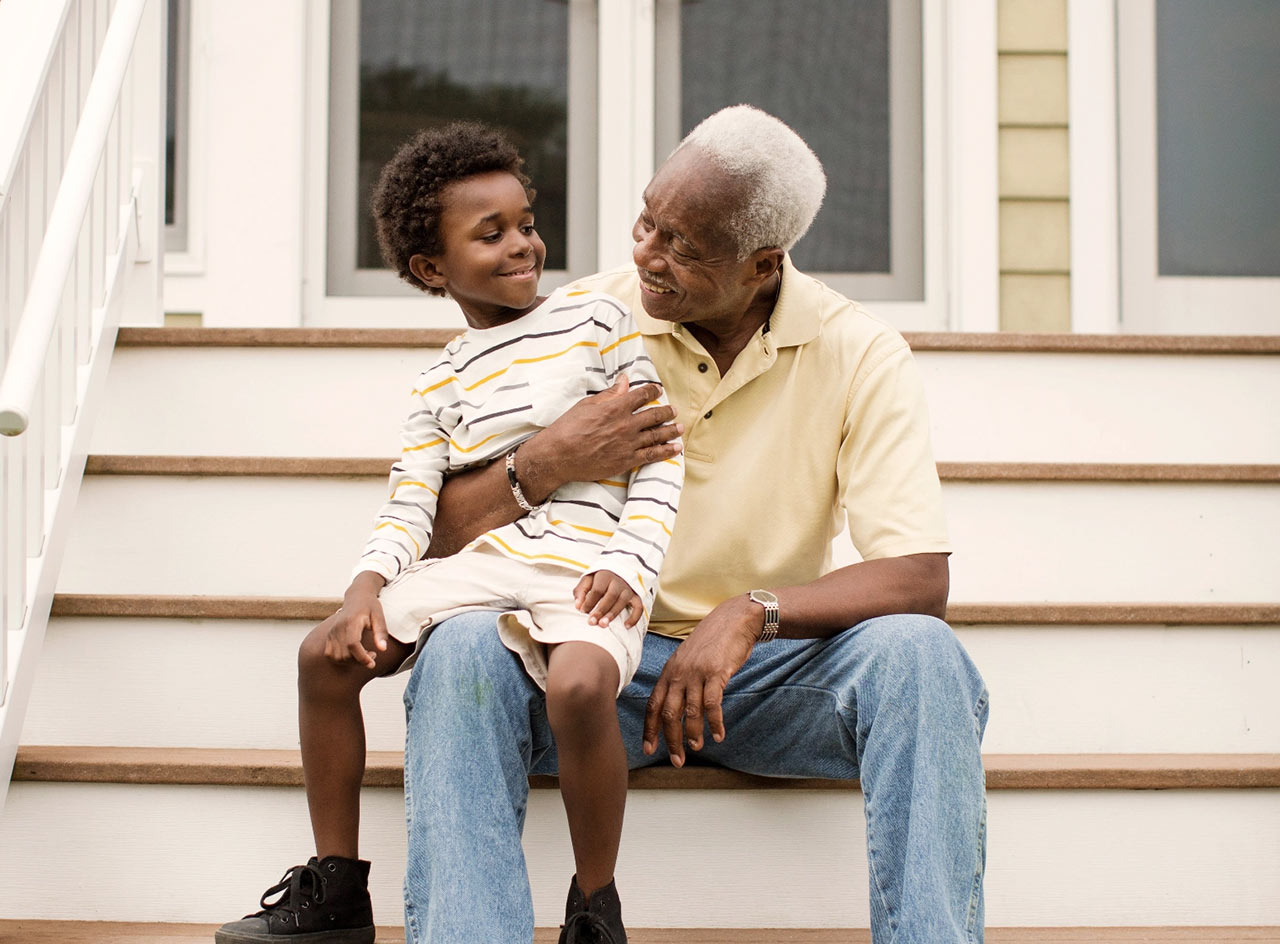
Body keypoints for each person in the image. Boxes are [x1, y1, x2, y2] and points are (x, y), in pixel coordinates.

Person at [398, 105, 989, 944]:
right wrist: (544, 462)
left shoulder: (860, 352)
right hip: (590, 664)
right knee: (459, 650)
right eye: (647, 220)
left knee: (924, 659)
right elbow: (436, 533)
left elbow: (919, 578)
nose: (646, 253)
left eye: (682, 245)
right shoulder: (579, 321)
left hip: (765, 680)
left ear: (762, 264)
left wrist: (752, 612)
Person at [215, 122, 683, 944]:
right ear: (433, 268)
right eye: (490, 233)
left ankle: (595, 902)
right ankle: (336, 887)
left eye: (526, 223)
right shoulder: (442, 375)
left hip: (585, 564)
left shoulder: (598, 321)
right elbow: (411, 500)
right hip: (486, 564)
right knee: (322, 657)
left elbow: (661, 460)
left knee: (579, 690)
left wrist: (631, 567)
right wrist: (365, 587)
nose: (523, 245)